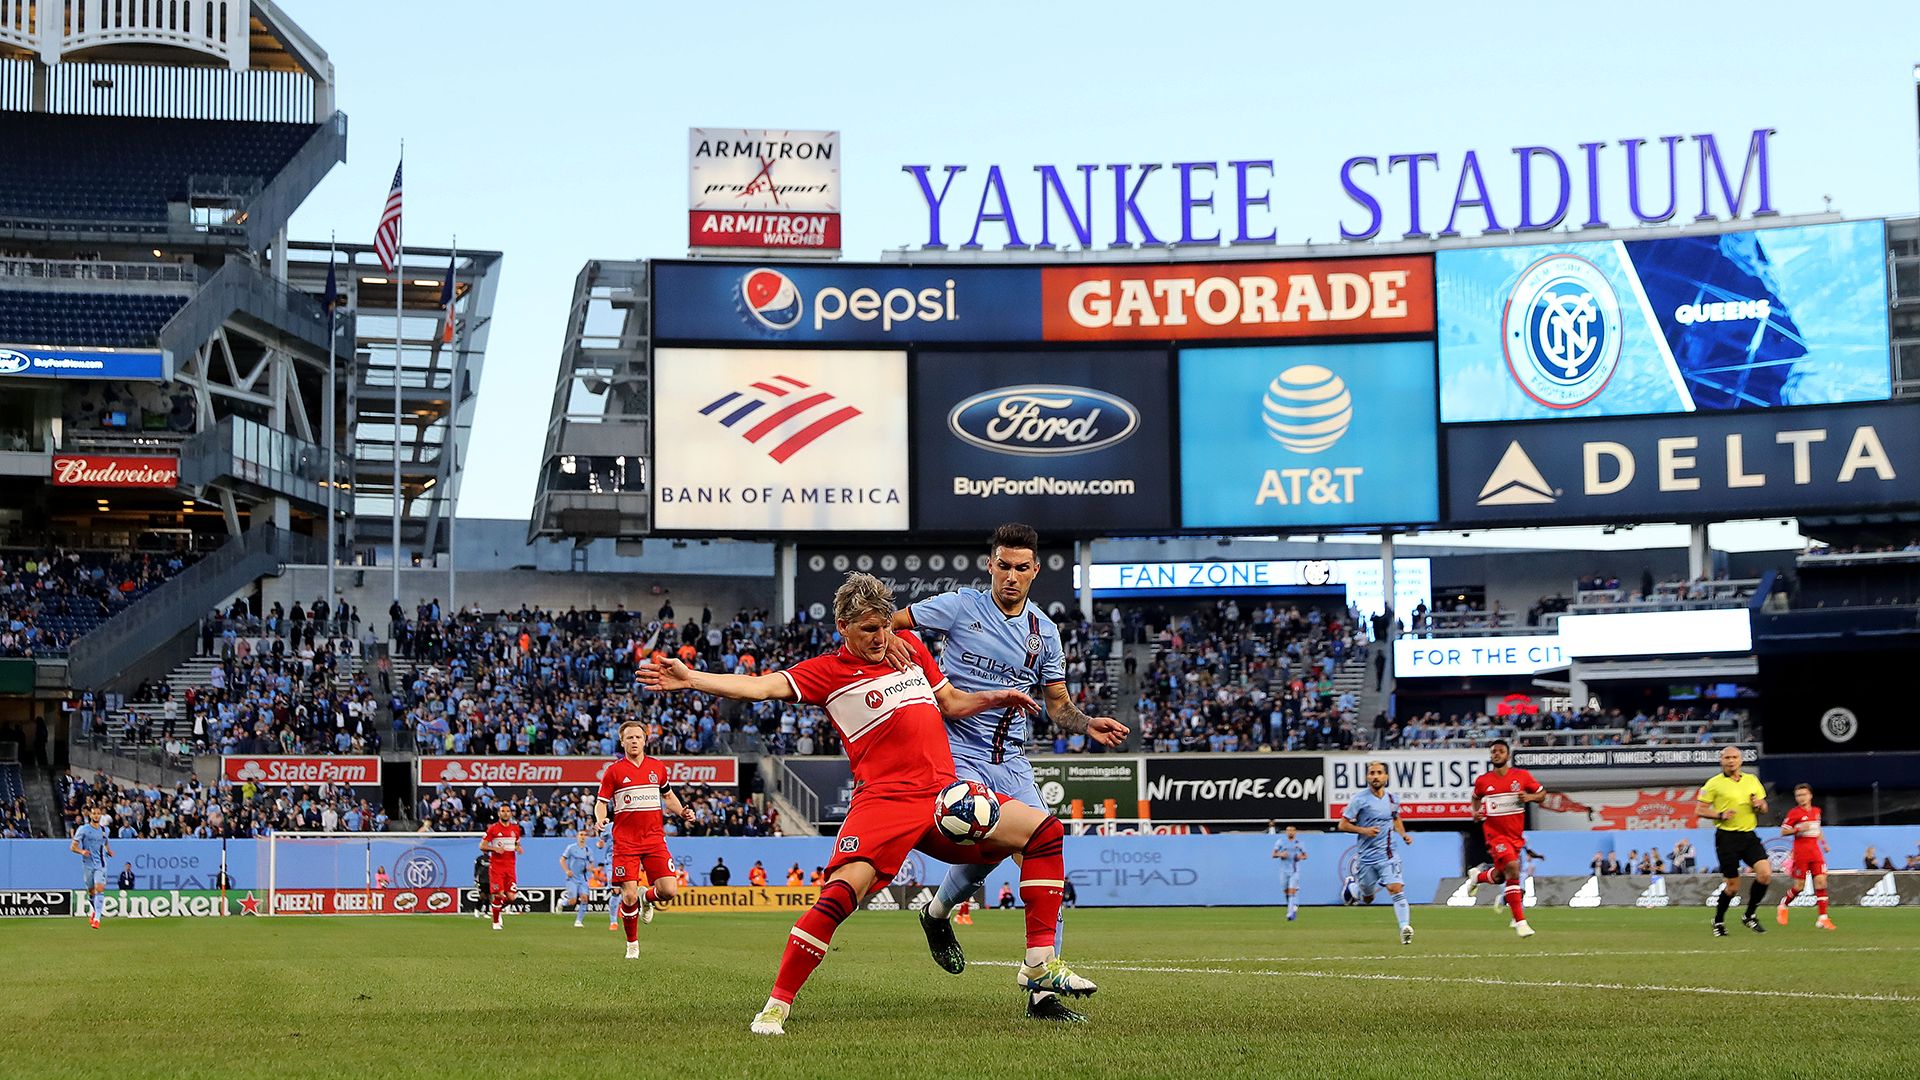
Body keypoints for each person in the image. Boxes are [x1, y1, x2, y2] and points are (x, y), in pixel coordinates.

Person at [639, 572, 1095, 1033]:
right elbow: (759, 687)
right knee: (839, 896)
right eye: (869, 630)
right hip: (883, 803)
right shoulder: (825, 673)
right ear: (843, 626)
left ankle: (1038, 964)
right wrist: (692, 678)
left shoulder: (910, 649)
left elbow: (952, 703)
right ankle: (776, 1006)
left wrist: (999, 696)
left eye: (884, 626)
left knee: (1044, 832)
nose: (881, 638)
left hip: (942, 796)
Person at [891, 523, 1128, 984]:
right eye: (1004, 566)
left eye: (1022, 568)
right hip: (957, 751)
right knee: (997, 841)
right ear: (991, 566)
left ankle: (1030, 976)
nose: (1011, 576)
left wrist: (1086, 723)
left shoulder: (1045, 632)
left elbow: (1058, 705)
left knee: (1036, 847)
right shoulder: (960, 606)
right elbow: (893, 625)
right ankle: (1034, 968)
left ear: (1035, 570)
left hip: (1013, 760)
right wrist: (904, 650)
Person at [594, 720, 695, 961]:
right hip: (625, 842)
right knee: (627, 896)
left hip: (654, 840)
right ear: (622, 742)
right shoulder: (614, 772)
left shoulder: (657, 768)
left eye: (638, 737)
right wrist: (600, 820)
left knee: (669, 891)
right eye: (629, 738)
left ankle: (646, 897)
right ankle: (632, 945)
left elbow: (668, 796)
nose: (634, 741)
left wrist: (682, 812)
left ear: (645, 740)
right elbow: (601, 803)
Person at [1466, 739, 1546, 938]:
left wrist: (1530, 798)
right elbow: (1476, 798)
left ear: (1508, 756)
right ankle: (1520, 922)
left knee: (1502, 875)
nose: (1496, 754)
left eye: (1500, 751)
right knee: (1512, 867)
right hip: (1495, 836)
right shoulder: (1484, 781)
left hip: (1515, 836)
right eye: (1493, 751)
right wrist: (1475, 813)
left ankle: (1478, 876)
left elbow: (1542, 794)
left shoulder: (1522, 776)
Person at [1695, 745, 1771, 936]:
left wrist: (1759, 805)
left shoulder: (1752, 780)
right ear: (1721, 760)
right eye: (1727, 757)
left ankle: (1749, 915)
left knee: (1765, 874)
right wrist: (1720, 814)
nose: (1731, 761)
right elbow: (1699, 810)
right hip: (1726, 837)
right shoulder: (1713, 784)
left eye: (1734, 757)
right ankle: (1718, 921)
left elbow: (1764, 807)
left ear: (1741, 760)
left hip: (1749, 835)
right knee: (1732, 886)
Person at [1338, 761, 1415, 945]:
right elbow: (1342, 824)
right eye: (1372, 773)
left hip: (1388, 854)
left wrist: (1403, 834)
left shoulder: (1393, 799)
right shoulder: (1359, 800)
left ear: (1386, 777)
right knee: (1368, 897)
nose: (1375, 776)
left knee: (1396, 888)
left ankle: (1405, 928)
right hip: (1366, 857)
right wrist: (1364, 830)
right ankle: (1352, 888)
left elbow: (1396, 818)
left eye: (1379, 772)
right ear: (1367, 777)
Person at [1777, 783, 1835, 930]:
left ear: (1810, 795)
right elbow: (1783, 832)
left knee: (1821, 883)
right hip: (1801, 853)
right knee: (1799, 887)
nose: (1801, 798)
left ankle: (1823, 918)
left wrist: (1824, 843)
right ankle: (1783, 905)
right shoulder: (1794, 813)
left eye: (1804, 794)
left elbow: (1817, 828)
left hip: (1815, 852)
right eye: (1798, 795)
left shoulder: (1816, 811)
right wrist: (1798, 828)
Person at [481, 803, 522, 931]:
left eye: (508, 811)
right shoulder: (493, 829)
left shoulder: (515, 829)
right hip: (497, 868)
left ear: (511, 813)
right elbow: (482, 846)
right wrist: (494, 849)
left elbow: (515, 844)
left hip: (510, 867)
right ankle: (496, 922)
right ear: (499, 813)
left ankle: (496, 911)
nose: (505, 813)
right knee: (499, 895)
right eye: (503, 811)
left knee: (511, 897)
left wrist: (518, 848)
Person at [71, 811, 113, 929]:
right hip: (88, 864)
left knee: (99, 888)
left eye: (98, 813)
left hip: (101, 863)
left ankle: (97, 918)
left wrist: (108, 851)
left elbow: (105, 842)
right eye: (94, 813)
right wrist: (82, 851)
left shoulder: (105, 830)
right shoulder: (83, 829)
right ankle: (95, 910)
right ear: (90, 815)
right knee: (91, 892)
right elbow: (72, 847)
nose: (96, 815)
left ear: (101, 815)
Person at [1270, 825, 1308, 922]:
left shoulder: (1299, 843)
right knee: (1286, 892)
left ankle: (1290, 913)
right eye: (1288, 830)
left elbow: (1305, 855)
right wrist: (1280, 854)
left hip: (1294, 870)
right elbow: (1273, 854)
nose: (1290, 832)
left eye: (1292, 830)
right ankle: (1294, 906)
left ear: (1295, 832)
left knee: (1291, 891)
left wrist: (1300, 857)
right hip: (1283, 871)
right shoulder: (1281, 842)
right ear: (1286, 832)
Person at [560, 830, 595, 927]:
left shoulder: (588, 850)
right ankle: (562, 902)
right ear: (577, 836)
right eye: (581, 835)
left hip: (583, 878)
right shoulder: (571, 848)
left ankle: (579, 921)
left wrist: (590, 867)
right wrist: (567, 871)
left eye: (585, 835)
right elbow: (562, 859)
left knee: (584, 898)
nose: (583, 837)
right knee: (572, 901)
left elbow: (592, 863)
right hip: (572, 879)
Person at [471, 850, 490, 920]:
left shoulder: (491, 859)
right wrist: (476, 878)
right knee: (482, 896)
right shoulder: (479, 858)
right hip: (482, 880)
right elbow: (476, 869)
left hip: (490, 880)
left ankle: (486, 912)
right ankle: (477, 909)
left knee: (489, 896)